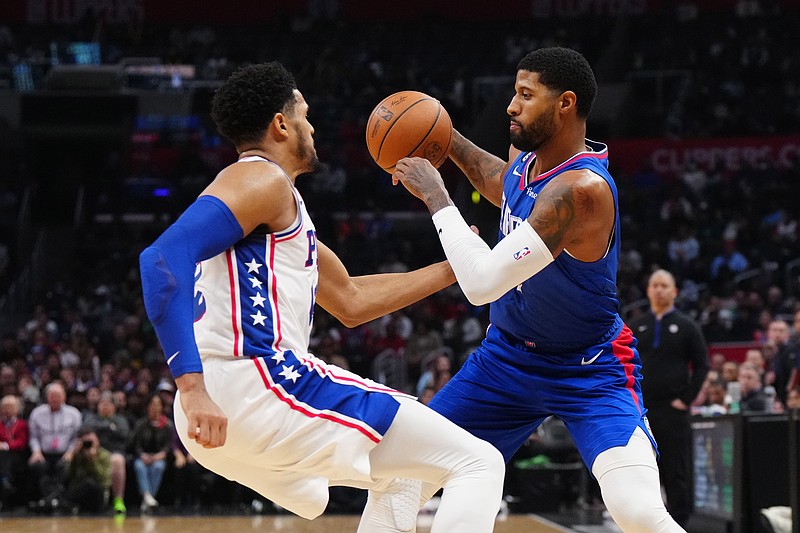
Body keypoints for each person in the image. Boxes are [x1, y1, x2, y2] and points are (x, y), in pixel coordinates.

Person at [138, 61, 503, 532]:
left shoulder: (277, 204)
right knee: (478, 462)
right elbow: (161, 260)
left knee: (400, 475)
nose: (312, 126)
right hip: (259, 386)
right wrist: (191, 388)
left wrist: (451, 269)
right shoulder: (260, 179)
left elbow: (350, 299)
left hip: (227, 412)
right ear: (281, 124)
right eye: (305, 115)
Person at [393, 47, 685, 531]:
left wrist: (437, 195)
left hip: (589, 367)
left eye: (526, 95)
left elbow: (483, 283)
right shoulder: (528, 162)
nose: (511, 105)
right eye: (515, 91)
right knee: (400, 482)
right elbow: (503, 184)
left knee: (638, 510)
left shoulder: (581, 191)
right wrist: (445, 140)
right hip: (506, 360)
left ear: (566, 103)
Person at [630, 269, 710, 527]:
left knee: (676, 470)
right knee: (642, 471)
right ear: (648, 291)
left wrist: (686, 400)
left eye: (665, 285)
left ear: (674, 292)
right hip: (641, 411)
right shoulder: (637, 325)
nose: (660, 290)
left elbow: (702, 365)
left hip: (672, 411)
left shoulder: (687, 326)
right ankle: (644, 525)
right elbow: (624, 364)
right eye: (655, 285)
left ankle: (679, 524)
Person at [27, 382, 82, 508]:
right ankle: (56, 500)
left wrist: (70, 453)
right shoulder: (37, 413)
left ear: (64, 397)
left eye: (58, 395)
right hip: (43, 453)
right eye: (52, 395)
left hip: (66, 452)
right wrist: (36, 452)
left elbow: (76, 438)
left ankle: (49, 500)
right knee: (37, 466)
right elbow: (33, 437)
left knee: (65, 467)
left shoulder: (74, 414)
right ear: (47, 397)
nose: (55, 398)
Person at [83, 391, 130, 514]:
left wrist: (101, 429)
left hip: (115, 452)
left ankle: (118, 500)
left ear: (114, 407)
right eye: (102, 404)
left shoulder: (121, 420)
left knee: (117, 460)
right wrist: (109, 427)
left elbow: (124, 433)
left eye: (108, 404)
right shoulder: (91, 419)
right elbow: (86, 431)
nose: (104, 406)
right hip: (97, 452)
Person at [130, 394, 172, 512]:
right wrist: (142, 455)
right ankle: (149, 497)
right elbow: (135, 444)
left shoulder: (167, 425)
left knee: (158, 467)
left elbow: (168, 446)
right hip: (142, 456)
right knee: (139, 467)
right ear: (148, 406)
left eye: (158, 404)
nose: (155, 407)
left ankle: (147, 499)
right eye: (152, 404)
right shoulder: (140, 424)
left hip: (159, 457)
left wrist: (160, 455)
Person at [0, 395, 28, 509]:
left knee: (6, 456)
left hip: (17, 455)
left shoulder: (22, 424)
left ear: (17, 409)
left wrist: (6, 445)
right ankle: (5, 481)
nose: (7, 410)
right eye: (5, 407)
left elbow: (22, 442)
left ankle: (6, 480)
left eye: (10, 407)